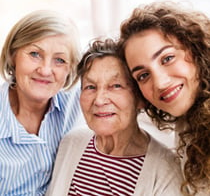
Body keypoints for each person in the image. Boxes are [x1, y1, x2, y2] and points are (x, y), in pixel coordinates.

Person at [46, 38, 183, 196]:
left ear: (139, 97)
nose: (99, 100)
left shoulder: (166, 170)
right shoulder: (71, 142)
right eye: (90, 87)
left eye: (116, 86)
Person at [118, 1, 210, 195]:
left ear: (196, 48)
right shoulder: (189, 122)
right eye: (143, 75)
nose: (160, 83)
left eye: (167, 59)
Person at [0, 10, 84, 195]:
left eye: (59, 60)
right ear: (13, 55)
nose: (46, 70)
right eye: (35, 54)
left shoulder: (78, 102)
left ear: (70, 68)